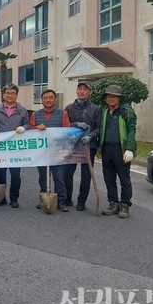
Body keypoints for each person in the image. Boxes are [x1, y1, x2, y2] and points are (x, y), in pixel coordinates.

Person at [0, 84, 30, 208]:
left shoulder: (22, 110)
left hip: (15, 148)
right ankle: (1, 198)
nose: (10, 95)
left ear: (16, 95)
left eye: (13, 93)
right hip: (0, 148)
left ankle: (14, 198)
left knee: (16, 175)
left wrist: (24, 128)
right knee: (1, 174)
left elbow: (28, 124)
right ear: (3, 95)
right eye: (7, 93)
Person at [29, 89, 71, 212]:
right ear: (42, 100)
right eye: (45, 97)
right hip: (42, 153)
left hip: (58, 152)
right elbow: (30, 132)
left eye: (51, 97)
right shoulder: (35, 115)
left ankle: (61, 201)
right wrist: (37, 128)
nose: (48, 100)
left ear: (55, 99)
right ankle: (43, 198)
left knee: (59, 177)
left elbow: (67, 130)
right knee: (43, 177)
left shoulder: (62, 113)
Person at [99, 85, 137, 219]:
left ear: (120, 98)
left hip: (121, 150)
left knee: (124, 179)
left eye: (114, 96)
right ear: (105, 98)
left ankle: (125, 204)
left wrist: (130, 149)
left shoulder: (127, 112)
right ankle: (113, 203)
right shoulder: (104, 111)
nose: (111, 99)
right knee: (109, 178)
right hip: (107, 149)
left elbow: (132, 130)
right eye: (109, 96)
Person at [63, 81, 101, 211]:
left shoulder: (96, 109)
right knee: (67, 173)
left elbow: (99, 127)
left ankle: (81, 201)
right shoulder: (69, 108)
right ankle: (67, 198)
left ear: (90, 92)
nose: (82, 91)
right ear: (76, 91)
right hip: (72, 145)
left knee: (86, 174)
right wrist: (76, 124)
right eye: (80, 89)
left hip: (88, 146)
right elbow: (65, 124)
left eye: (86, 89)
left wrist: (91, 136)